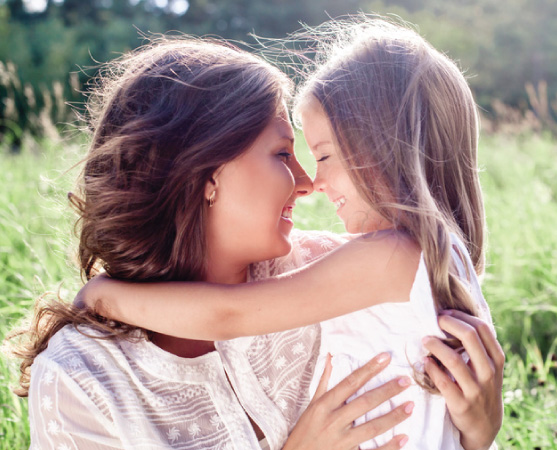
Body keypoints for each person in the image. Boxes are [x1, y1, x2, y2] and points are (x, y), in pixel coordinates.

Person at [10, 36, 502, 450]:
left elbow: (230, 315)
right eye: (283, 153)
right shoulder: (83, 379)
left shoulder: (343, 269)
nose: (308, 182)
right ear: (205, 173)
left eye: (317, 155)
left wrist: (481, 430)